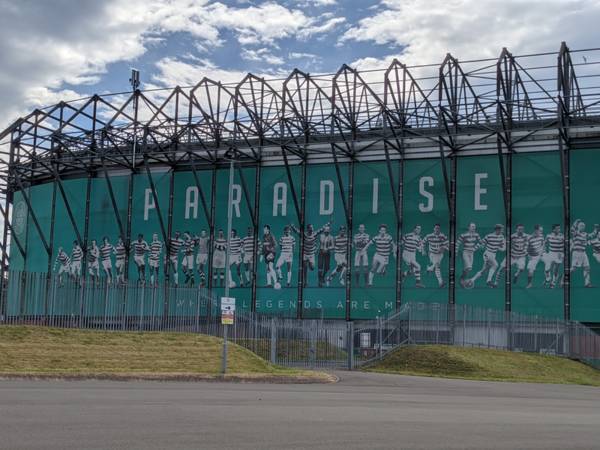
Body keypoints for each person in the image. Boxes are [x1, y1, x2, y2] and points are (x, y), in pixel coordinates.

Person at [291, 222, 328, 287]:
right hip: (305, 254)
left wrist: (328, 223)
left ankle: (309, 264)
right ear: (308, 229)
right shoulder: (304, 235)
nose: (312, 229)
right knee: (305, 269)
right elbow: (297, 232)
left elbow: (322, 229)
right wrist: (293, 227)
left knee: (312, 268)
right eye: (311, 228)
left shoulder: (314, 234)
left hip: (311, 254)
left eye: (312, 228)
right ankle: (305, 282)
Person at [457, 223, 483, 288]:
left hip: (472, 253)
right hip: (465, 252)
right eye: (472, 226)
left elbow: (480, 242)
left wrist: (475, 248)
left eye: (474, 226)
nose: (474, 228)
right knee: (468, 267)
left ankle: (462, 280)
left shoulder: (477, 234)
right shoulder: (463, 235)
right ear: (468, 227)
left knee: (468, 269)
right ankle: (463, 279)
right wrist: (456, 251)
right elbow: (457, 243)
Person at [423, 224, 448, 288]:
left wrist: (443, 248)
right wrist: (423, 250)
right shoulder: (429, 236)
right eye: (436, 228)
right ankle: (440, 282)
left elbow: (447, 244)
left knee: (437, 267)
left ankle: (430, 269)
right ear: (434, 229)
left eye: (438, 228)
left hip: (440, 254)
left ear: (439, 229)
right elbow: (422, 242)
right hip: (432, 254)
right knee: (437, 265)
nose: (437, 229)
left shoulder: (443, 236)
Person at [571, 219, 592, 288]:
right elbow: (571, 230)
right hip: (577, 253)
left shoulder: (585, 234)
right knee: (573, 269)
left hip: (583, 253)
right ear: (578, 227)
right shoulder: (576, 233)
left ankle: (587, 283)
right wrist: (575, 222)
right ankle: (563, 279)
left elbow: (591, 235)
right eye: (581, 226)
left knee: (587, 267)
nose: (583, 227)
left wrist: (596, 229)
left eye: (583, 226)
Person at [543, 224, 564, 288]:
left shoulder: (562, 236)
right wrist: (544, 251)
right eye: (557, 228)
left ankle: (553, 282)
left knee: (555, 269)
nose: (559, 230)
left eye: (559, 228)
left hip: (559, 254)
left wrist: (562, 253)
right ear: (553, 229)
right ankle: (548, 278)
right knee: (547, 269)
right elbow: (545, 243)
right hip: (551, 253)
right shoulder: (548, 236)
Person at [526, 225, 544, 289]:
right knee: (530, 270)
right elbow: (526, 248)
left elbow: (542, 244)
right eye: (540, 230)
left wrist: (542, 252)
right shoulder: (529, 238)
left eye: (542, 231)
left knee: (552, 261)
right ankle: (529, 284)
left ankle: (551, 280)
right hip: (533, 256)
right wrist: (528, 255)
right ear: (536, 230)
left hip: (541, 254)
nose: (541, 232)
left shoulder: (541, 236)